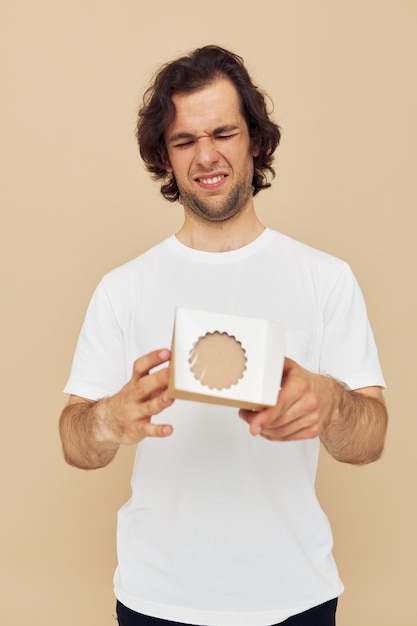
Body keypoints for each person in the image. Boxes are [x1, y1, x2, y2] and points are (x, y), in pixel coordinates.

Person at [59, 45, 388, 626]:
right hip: (155, 601)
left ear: (255, 140)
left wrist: (330, 402)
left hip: (296, 599)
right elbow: (75, 441)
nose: (206, 156)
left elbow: (369, 441)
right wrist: (111, 418)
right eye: (185, 140)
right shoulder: (123, 287)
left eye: (224, 133)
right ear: (164, 155)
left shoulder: (325, 279)